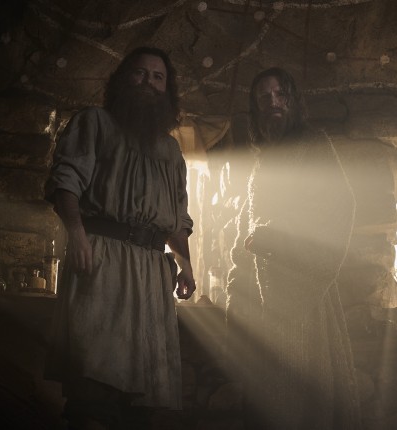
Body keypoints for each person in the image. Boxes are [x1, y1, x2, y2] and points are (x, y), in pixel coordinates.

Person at [44, 46, 196, 430]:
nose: (148, 82)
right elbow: (66, 182)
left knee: (141, 403)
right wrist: (77, 234)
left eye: (158, 77)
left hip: (151, 273)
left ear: (167, 89)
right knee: (95, 388)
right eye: (140, 73)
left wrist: (186, 266)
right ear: (124, 78)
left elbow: (176, 219)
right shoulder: (95, 123)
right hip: (102, 261)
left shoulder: (171, 151)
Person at [225, 67, 362, 429]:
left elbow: (339, 206)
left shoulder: (314, 145)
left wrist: (277, 237)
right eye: (264, 97)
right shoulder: (262, 164)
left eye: (280, 94)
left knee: (307, 406)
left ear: (293, 101)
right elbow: (246, 231)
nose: (273, 102)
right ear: (256, 108)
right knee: (268, 407)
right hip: (263, 306)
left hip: (306, 297)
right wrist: (236, 292)